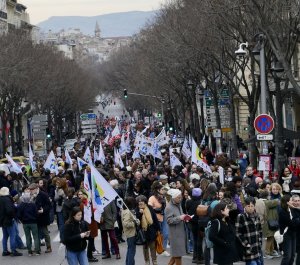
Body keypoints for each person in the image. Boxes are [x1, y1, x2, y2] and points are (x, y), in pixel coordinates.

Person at [235, 197, 263, 265]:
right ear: (245, 206)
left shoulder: (257, 216)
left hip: (257, 247)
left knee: (259, 263)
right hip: (248, 248)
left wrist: (260, 241)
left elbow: (259, 230)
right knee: (252, 263)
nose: (250, 208)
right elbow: (238, 233)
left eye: (252, 206)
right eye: (248, 206)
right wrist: (246, 244)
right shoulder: (241, 216)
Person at [136, 195, 160, 265]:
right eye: (139, 202)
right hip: (143, 231)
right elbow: (137, 221)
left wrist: (158, 229)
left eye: (142, 201)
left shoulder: (149, 208)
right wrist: (140, 214)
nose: (140, 203)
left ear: (145, 202)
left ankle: (154, 260)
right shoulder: (137, 210)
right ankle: (147, 261)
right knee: (145, 247)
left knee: (152, 246)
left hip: (151, 230)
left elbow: (155, 219)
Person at [165, 189, 187, 265]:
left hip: (180, 232)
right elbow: (169, 221)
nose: (180, 199)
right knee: (177, 256)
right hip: (175, 234)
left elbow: (180, 214)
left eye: (181, 197)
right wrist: (180, 218)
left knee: (176, 255)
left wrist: (185, 217)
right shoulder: (169, 207)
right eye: (179, 197)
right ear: (173, 197)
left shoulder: (178, 204)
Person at [29, 183, 52, 253]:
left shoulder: (43, 195)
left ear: (36, 189)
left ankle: (49, 247)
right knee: (36, 233)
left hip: (43, 217)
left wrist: (43, 210)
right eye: (30, 190)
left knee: (45, 233)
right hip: (35, 217)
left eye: (31, 190)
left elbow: (49, 205)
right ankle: (37, 247)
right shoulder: (32, 195)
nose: (30, 191)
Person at [148, 183, 170, 256]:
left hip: (164, 217)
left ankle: (163, 250)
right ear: (158, 190)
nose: (163, 190)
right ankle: (157, 249)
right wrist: (156, 210)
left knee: (166, 234)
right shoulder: (152, 198)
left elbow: (167, 206)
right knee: (157, 235)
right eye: (162, 189)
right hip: (156, 219)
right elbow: (149, 207)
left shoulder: (163, 197)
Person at [0, 187, 23, 257]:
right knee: (12, 235)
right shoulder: (7, 199)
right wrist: (13, 216)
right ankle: (13, 251)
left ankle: (5, 251)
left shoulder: (0, 199)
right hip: (9, 220)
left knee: (5, 237)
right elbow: (9, 210)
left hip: (2, 220)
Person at [17, 190, 41, 256]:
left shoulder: (21, 205)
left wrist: (22, 220)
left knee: (28, 237)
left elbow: (19, 215)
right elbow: (36, 214)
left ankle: (29, 251)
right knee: (35, 236)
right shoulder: (33, 205)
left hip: (25, 223)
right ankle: (37, 251)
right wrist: (36, 218)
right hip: (33, 222)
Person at [278, 195, 297, 265]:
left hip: (293, 234)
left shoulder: (291, 209)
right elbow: (291, 224)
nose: (293, 202)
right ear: (287, 202)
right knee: (287, 256)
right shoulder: (282, 212)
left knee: (292, 256)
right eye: (291, 200)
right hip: (286, 235)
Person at [121, 197, 140, 265]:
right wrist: (135, 223)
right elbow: (126, 223)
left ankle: (128, 263)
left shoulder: (124, 210)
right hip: (131, 233)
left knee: (130, 249)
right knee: (132, 251)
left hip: (128, 233)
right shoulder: (128, 212)